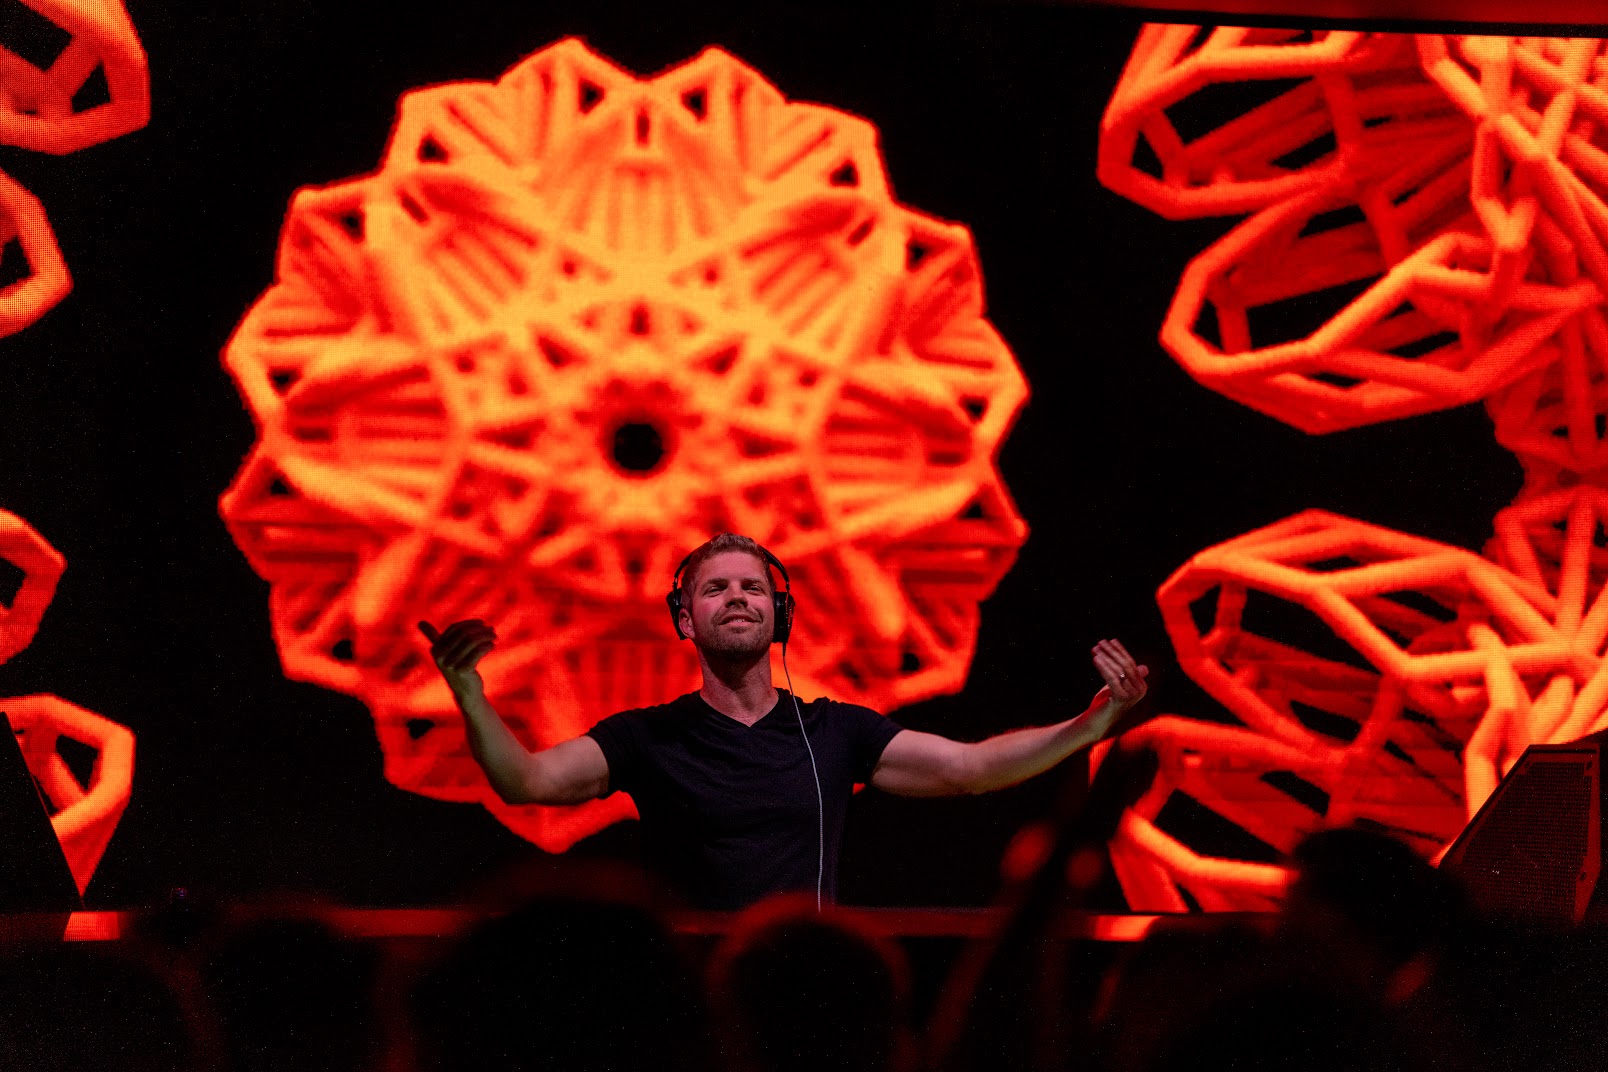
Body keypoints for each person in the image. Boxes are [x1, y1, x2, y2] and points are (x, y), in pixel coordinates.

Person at [418, 532, 1148, 909]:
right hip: (691, 1005)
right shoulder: (645, 736)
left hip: (807, 1002)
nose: (737, 598)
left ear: (780, 614)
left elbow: (970, 768)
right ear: (685, 619)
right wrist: (471, 695)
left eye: (752, 587)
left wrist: (1088, 726)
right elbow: (527, 781)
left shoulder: (837, 732)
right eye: (715, 590)